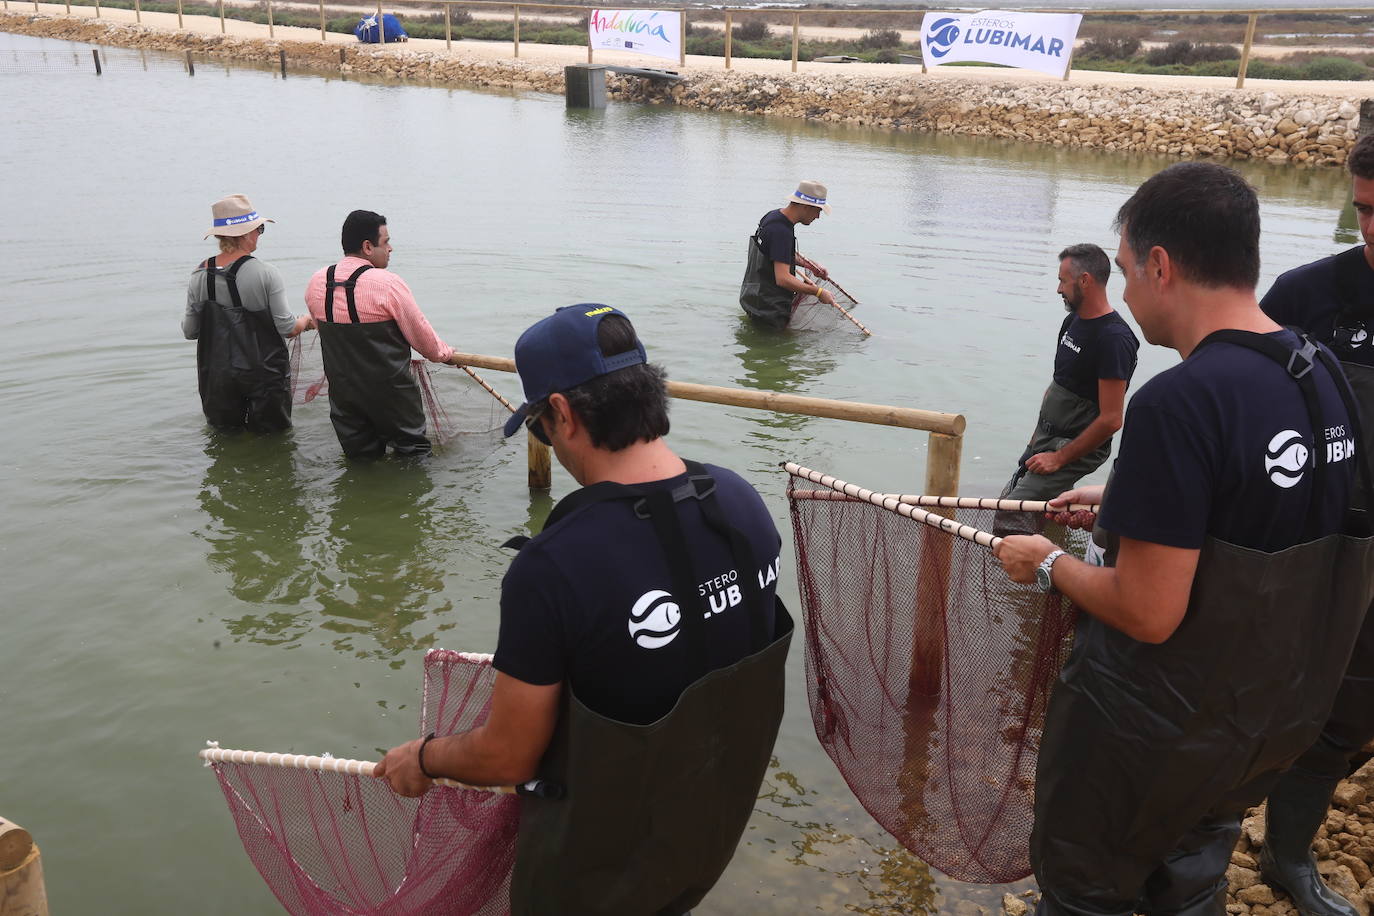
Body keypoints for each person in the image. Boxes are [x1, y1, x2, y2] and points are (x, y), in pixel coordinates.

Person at [994, 162, 1374, 916]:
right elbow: (1278, 508)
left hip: (1151, 740)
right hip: (1259, 722)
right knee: (1189, 874)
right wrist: (1127, 496)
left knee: (1087, 891)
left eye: (1130, 273)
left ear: (1160, 266)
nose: (1128, 297)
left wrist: (1045, 566)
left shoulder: (1178, 399)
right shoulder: (1317, 370)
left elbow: (1148, 610)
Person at [375, 305, 794, 916]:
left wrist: (424, 757)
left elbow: (508, 755)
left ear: (562, 414)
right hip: (704, 836)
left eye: (540, 425)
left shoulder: (551, 568)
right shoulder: (740, 500)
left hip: (595, 874)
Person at [1254, 131, 1374, 916]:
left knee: (1353, 718)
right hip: (1313, 554)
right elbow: (1232, 412)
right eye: (1364, 210)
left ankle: (1287, 854)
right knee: (1299, 713)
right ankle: (1256, 853)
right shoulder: (1304, 298)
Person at [304, 210, 462, 458]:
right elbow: (426, 343)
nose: (391, 248)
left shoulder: (317, 281)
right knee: (414, 455)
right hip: (392, 397)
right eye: (386, 241)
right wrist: (446, 353)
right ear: (368, 246)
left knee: (359, 459)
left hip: (344, 396)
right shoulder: (387, 284)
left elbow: (320, 325)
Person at [999, 244, 1138, 512]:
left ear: (1085, 281)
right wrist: (1033, 442)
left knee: (1010, 512)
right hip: (1046, 436)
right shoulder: (1073, 321)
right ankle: (1051, 543)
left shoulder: (1113, 340)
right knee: (1027, 499)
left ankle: (1033, 553)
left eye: (1063, 281)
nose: (1058, 289)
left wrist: (1058, 459)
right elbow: (1057, 385)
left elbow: (1111, 419)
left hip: (1073, 446)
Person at [183, 194, 312, 433]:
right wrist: (306, 320)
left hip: (217, 378)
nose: (259, 235)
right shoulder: (266, 273)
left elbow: (190, 332)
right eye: (259, 229)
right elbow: (288, 328)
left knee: (224, 438)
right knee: (274, 440)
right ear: (244, 234)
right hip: (265, 376)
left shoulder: (198, 275)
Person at [740, 180, 837, 329]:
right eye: (818, 210)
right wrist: (818, 292)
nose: (818, 216)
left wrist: (810, 266)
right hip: (769, 312)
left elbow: (778, 255)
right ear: (805, 206)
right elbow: (783, 279)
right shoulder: (781, 231)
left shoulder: (773, 217)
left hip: (753, 300)